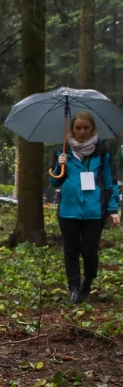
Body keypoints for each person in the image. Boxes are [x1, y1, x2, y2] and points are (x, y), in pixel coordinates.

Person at [49, 110, 120, 303]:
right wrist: (59, 165)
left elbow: (110, 182)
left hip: (94, 211)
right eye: (78, 128)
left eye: (86, 128)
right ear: (72, 129)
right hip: (68, 210)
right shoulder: (62, 151)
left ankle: (87, 282)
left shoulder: (102, 152)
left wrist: (113, 209)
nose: (82, 132)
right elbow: (54, 181)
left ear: (92, 129)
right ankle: (73, 287)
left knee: (89, 251)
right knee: (70, 250)